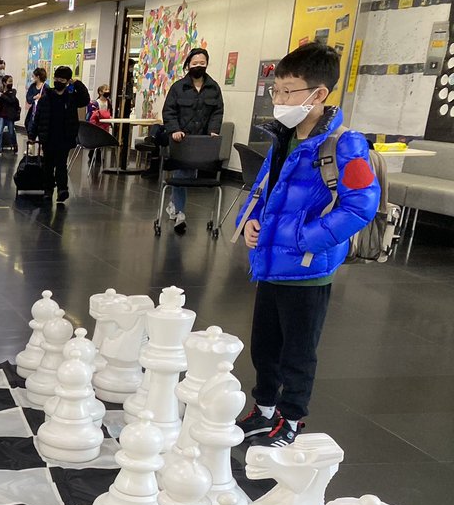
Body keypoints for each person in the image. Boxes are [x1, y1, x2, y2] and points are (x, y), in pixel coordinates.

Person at [235, 43, 379, 448]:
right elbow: (263, 190)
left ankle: (293, 417)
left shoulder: (345, 144)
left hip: (308, 271)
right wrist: (250, 222)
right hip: (270, 264)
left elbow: (361, 205)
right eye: (276, 90)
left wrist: (305, 239)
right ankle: (263, 409)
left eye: (289, 91)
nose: (279, 100)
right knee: (265, 345)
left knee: (297, 351)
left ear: (319, 94)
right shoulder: (282, 139)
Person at [161, 48, 224, 234]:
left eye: (202, 63)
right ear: (188, 65)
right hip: (182, 140)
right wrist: (174, 130)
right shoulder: (178, 87)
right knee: (182, 174)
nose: (198, 66)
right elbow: (169, 111)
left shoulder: (214, 88)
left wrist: (213, 131)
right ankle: (180, 214)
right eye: (195, 63)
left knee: (188, 175)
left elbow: (217, 112)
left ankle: (173, 205)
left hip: (202, 142)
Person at [30, 65, 89, 203]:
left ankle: (62, 189)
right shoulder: (46, 97)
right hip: (48, 136)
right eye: (56, 78)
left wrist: (76, 83)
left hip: (64, 136)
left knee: (62, 164)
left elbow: (85, 99)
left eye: (62, 79)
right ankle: (48, 190)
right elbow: (37, 117)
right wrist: (32, 135)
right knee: (48, 165)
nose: (58, 81)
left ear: (67, 81)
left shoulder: (71, 98)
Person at [0, 75, 21, 153]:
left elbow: (11, 100)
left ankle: (14, 144)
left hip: (9, 115)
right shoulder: (0, 92)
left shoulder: (12, 91)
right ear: (4, 83)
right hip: (1, 114)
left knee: (11, 132)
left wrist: (2, 95)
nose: (11, 83)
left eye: (11, 81)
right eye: (9, 81)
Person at [87, 85, 112, 167]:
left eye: (108, 89)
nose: (107, 91)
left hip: (105, 123)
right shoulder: (95, 103)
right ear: (100, 92)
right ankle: (94, 153)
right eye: (105, 90)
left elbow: (110, 112)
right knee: (97, 139)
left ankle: (98, 154)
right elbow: (93, 115)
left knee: (102, 139)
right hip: (98, 124)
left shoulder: (109, 102)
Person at [24, 67, 46, 136]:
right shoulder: (32, 86)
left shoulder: (46, 87)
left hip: (42, 113)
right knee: (30, 128)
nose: (32, 78)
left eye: (33, 76)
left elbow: (47, 101)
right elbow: (28, 99)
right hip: (33, 113)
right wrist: (34, 97)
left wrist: (41, 98)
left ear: (38, 77)